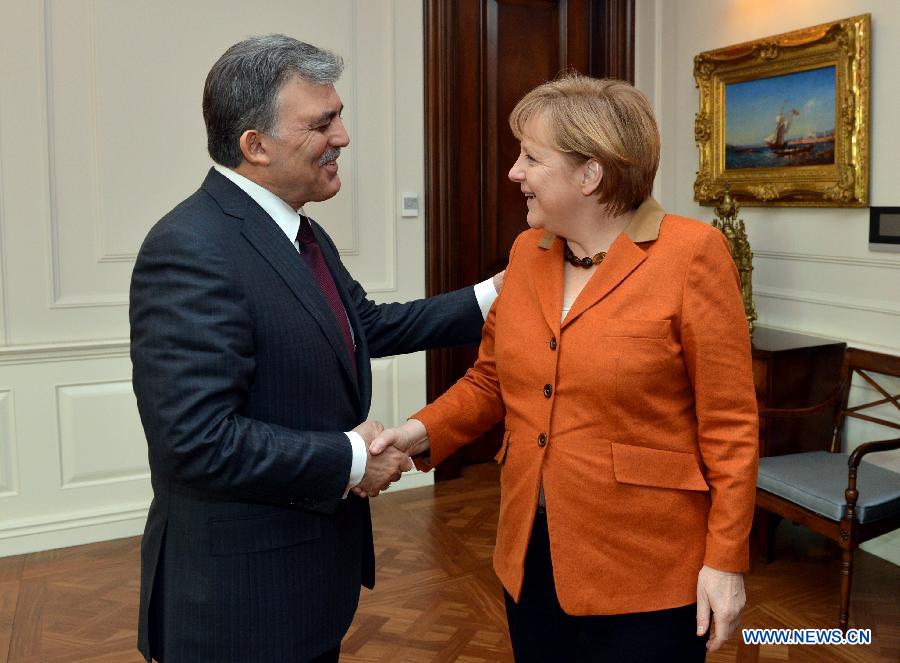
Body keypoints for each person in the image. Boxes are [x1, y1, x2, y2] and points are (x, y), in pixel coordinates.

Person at [129, 35, 499, 663]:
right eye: (323, 123)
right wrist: (353, 457)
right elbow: (197, 440)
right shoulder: (191, 248)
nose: (344, 136)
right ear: (256, 145)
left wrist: (498, 294)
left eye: (339, 116)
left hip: (300, 583)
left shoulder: (297, 228)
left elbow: (367, 326)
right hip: (238, 604)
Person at [368, 75, 759, 662]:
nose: (514, 173)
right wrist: (416, 432)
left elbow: (730, 425)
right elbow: (491, 380)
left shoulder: (691, 254)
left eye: (531, 157)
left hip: (647, 566)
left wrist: (724, 560)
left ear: (590, 174)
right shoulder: (529, 253)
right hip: (531, 552)